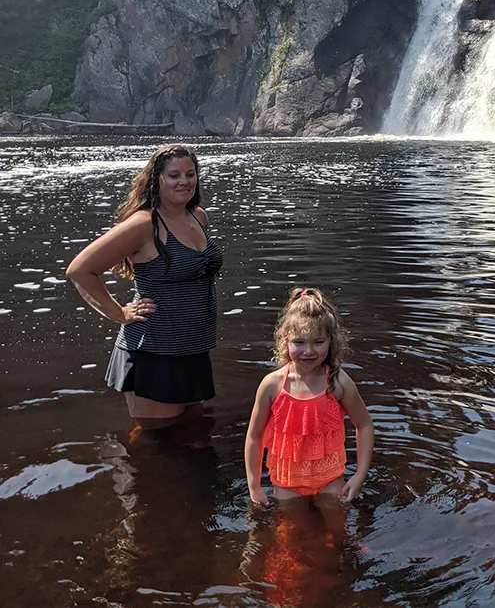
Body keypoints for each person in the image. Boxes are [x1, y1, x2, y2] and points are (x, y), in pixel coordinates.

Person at [66, 143, 223, 429]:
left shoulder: (198, 217)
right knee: (155, 446)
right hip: (153, 351)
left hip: (193, 348)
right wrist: (119, 313)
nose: (184, 181)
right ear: (157, 179)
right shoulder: (143, 224)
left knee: (194, 433)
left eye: (190, 174)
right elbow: (80, 270)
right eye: (174, 175)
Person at [244, 287, 374, 504]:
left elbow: (364, 425)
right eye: (299, 342)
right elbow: (254, 436)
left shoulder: (338, 382)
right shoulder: (272, 385)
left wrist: (360, 475)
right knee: (289, 535)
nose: (308, 351)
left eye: (318, 342)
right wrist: (254, 486)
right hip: (287, 483)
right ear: (285, 339)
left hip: (330, 479)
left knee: (337, 533)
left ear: (331, 341)